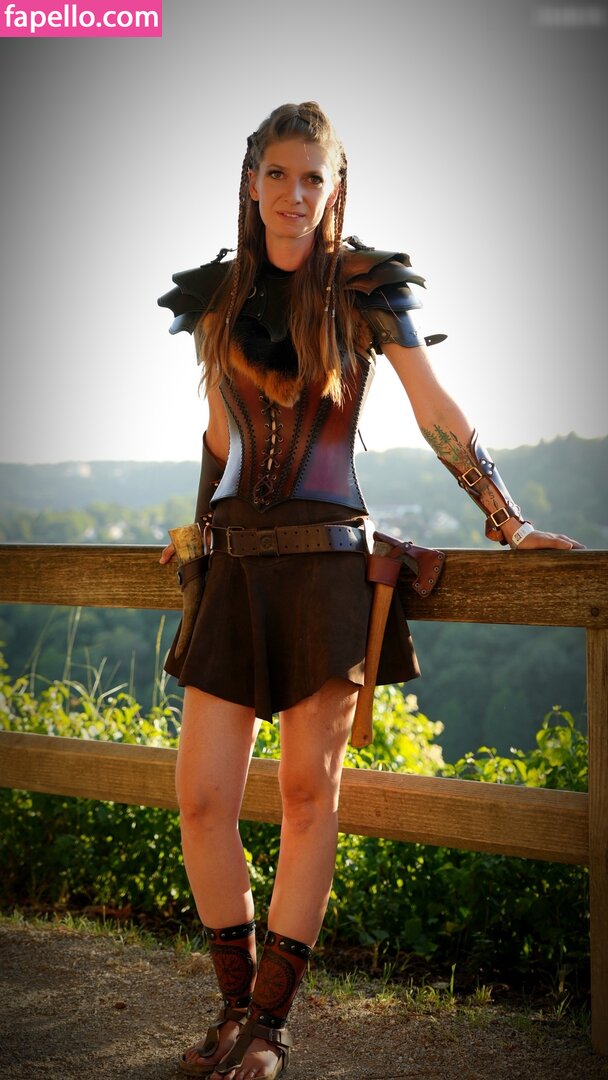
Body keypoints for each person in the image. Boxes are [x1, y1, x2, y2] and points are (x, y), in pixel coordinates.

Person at [158, 101, 582, 1080]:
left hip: (324, 569)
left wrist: (506, 519)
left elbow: (434, 408)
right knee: (201, 800)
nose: (294, 193)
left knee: (309, 795)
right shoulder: (219, 299)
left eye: (313, 176)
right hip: (234, 568)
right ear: (250, 182)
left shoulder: (364, 289)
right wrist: (194, 552)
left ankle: (269, 1027)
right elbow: (218, 444)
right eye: (277, 174)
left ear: (335, 187)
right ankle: (233, 1008)